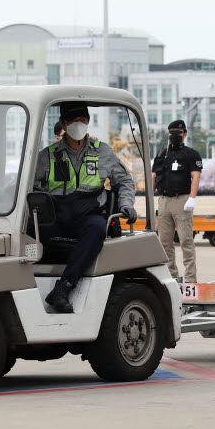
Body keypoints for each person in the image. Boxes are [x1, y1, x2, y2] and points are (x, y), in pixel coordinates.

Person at [34, 101, 137, 313]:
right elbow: (28, 185)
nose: (78, 124)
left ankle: (64, 287)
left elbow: (124, 181)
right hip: (57, 216)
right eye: (72, 120)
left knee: (97, 229)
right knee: (28, 231)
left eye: (82, 120)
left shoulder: (103, 152)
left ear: (88, 121)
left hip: (87, 215)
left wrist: (126, 204)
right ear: (63, 122)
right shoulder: (47, 156)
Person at [152, 119, 202, 283]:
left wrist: (192, 198)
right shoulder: (161, 154)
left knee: (186, 241)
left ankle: (190, 279)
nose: (175, 136)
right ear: (168, 134)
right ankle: (171, 277)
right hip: (164, 201)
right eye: (172, 133)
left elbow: (196, 177)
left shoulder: (191, 154)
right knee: (164, 242)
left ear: (185, 134)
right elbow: (154, 176)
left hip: (182, 201)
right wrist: (149, 195)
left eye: (178, 133)